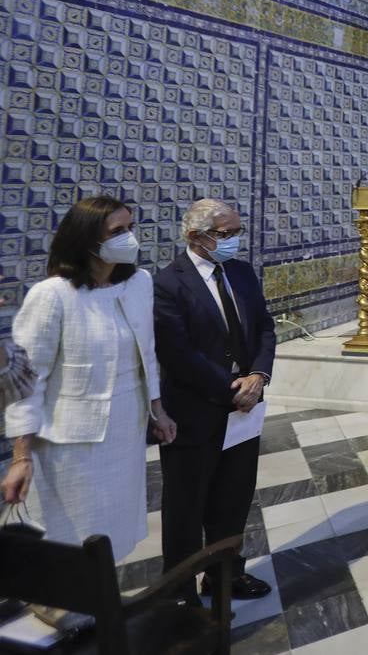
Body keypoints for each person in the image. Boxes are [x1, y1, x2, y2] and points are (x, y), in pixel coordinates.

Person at [2, 196, 177, 561]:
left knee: (112, 533)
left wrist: (157, 409)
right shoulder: (52, 296)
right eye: (117, 231)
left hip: (125, 433)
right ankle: (65, 605)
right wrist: (22, 457)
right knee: (72, 535)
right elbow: (26, 381)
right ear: (87, 241)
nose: (128, 237)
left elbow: (146, 354)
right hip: (73, 446)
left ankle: (98, 600)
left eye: (130, 228)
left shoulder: (139, 283)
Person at [154, 199, 275, 605]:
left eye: (237, 231)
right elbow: (177, 353)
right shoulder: (168, 283)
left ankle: (226, 575)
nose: (234, 240)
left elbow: (264, 329)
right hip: (195, 410)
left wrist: (258, 377)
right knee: (186, 508)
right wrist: (231, 389)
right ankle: (180, 593)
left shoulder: (241, 273)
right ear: (196, 237)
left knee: (233, 498)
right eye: (226, 234)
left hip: (245, 408)